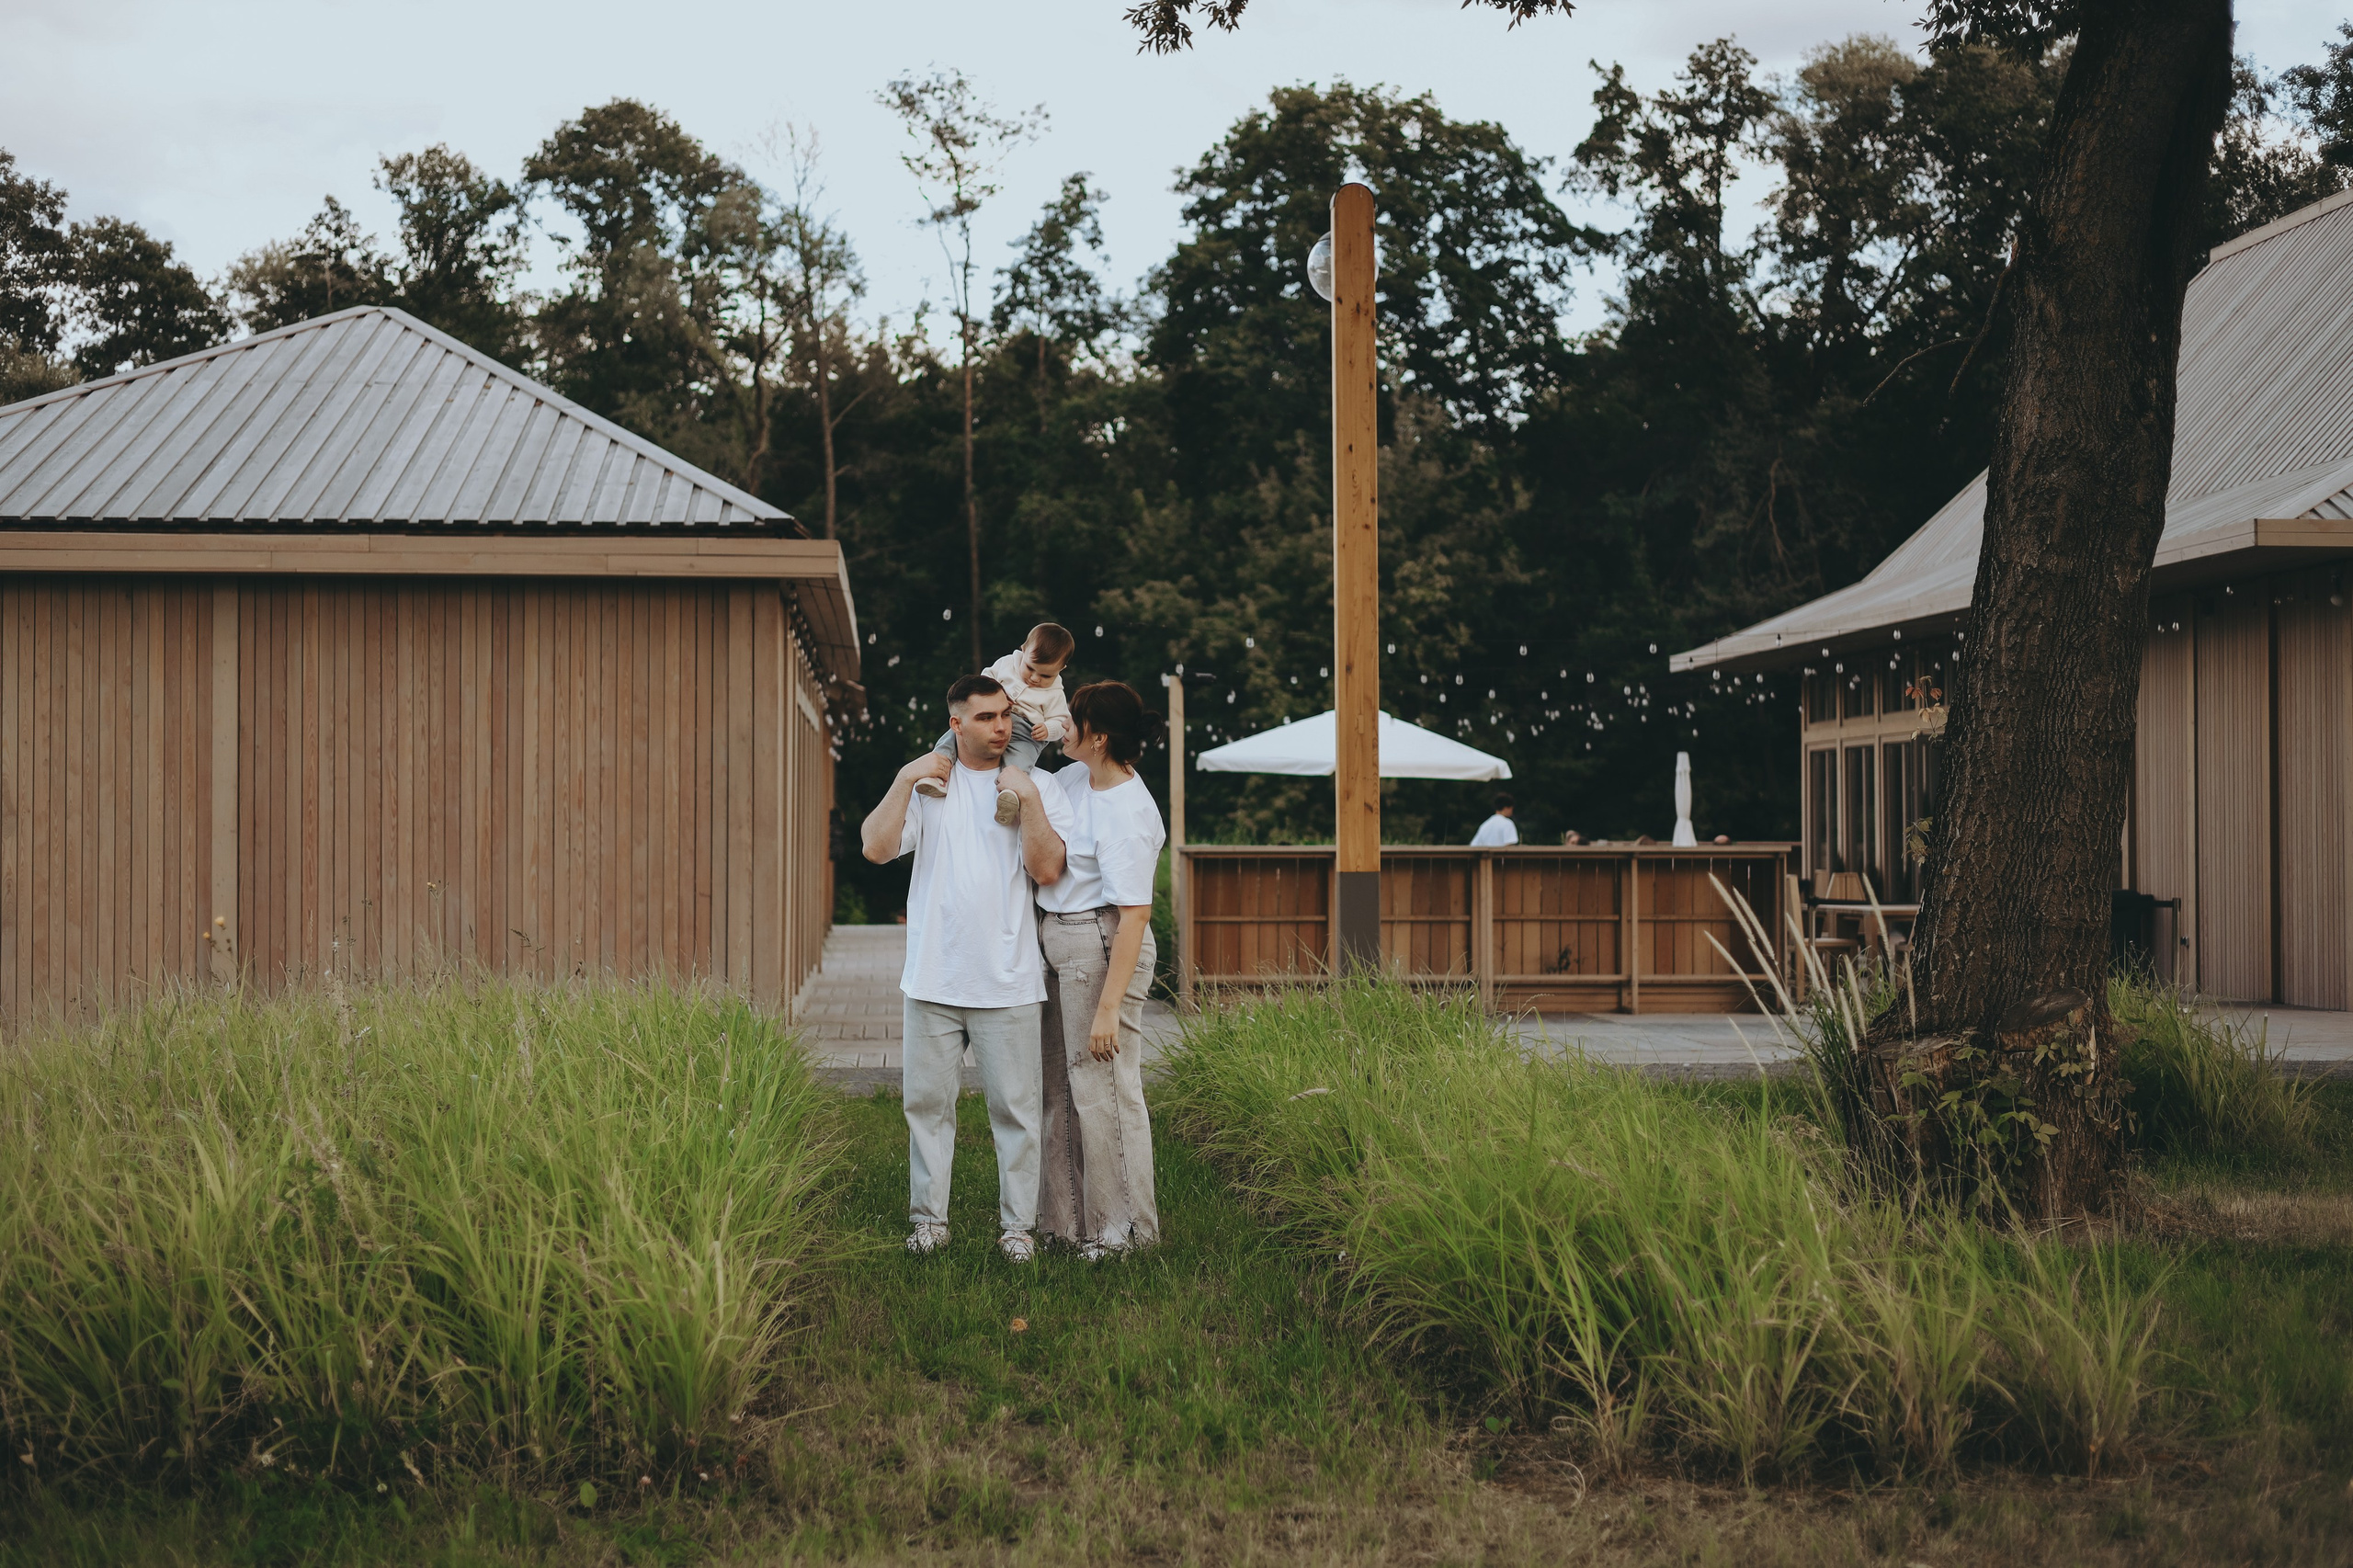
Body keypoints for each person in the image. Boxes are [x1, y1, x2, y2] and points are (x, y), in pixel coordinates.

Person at [862, 674, 1072, 1264]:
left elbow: (1048, 869)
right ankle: (929, 1223)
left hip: (1008, 979)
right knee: (927, 1108)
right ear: (956, 724)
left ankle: (1017, 1233)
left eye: (1006, 715)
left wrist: (1026, 796)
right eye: (985, 717)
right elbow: (875, 848)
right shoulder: (930, 786)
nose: (1002, 726)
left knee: (1017, 1113)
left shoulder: (1038, 785)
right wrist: (907, 775)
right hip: (932, 977)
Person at [1033, 681, 1167, 1260]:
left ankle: (1124, 1234)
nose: (1063, 725)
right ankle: (1067, 1222)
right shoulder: (1072, 778)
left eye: (1073, 720)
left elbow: (1135, 915)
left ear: (1099, 737)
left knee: (1107, 1090)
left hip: (1105, 943)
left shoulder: (1129, 811)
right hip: (1063, 938)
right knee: (1062, 1088)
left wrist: (1109, 1008)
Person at [915, 622, 1075, 825]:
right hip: (993, 714)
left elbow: (1062, 722)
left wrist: (1048, 729)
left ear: (1061, 669)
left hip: (1028, 731)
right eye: (1030, 668)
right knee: (954, 736)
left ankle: (1009, 796)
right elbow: (985, 680)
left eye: (1046, 676)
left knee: (1018, 763)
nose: (1035, 679)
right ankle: (936, 772)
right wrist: (996, 697)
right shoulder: (1007, 664)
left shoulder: (1055, 693)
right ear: (1023, 651)